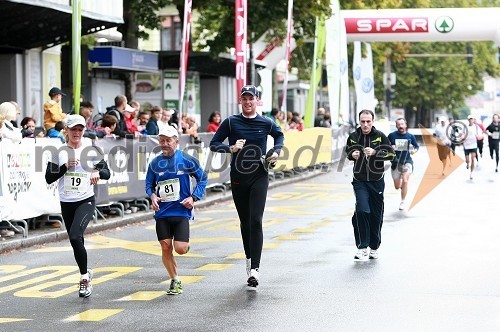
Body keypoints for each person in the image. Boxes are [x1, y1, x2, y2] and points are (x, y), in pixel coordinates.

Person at [210, 85, 284, 289]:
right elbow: (214, 143)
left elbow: (279, 135)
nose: (248, 102)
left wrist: (276, 151)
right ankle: (249, 259)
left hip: (259, 175)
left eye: (251, 98)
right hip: (238, 177)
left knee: (256, 220)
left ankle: (255, 270)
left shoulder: (266, 122)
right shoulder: (231, 122)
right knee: (244, 222)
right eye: (245, 99)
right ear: (240, 101)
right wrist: (231, 148)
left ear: (257, 101)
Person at [45, 114, 110, 298]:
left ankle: (83, 278)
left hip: (85, 200)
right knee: (77, 240)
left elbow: (107, 172)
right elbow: (49, 177)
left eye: (80, 129)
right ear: (67, 131)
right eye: (74, 129)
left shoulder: (91, 150)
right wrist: (65, 166)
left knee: (74, 236)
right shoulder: (59, 151)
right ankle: (86, 271)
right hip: (66, 202)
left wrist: (97, 171)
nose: (77, 132)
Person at [145, 126, 207, 295]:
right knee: (165, 247)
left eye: (168, 140)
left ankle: (185, 246)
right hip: (162, 212)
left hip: (181, 211)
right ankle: (175, 279)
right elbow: (149, 184)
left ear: (176, 142)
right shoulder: (155, 163)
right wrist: (152, 196)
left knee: (179, 248)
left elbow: (202, 179)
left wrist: (193, 198)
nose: (164, 144)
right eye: (162, 141)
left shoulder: (186, 159)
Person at [345, 110, 395, 261]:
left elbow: (391, 154)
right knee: (362, 211)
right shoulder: (353, 136)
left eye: (368, 121)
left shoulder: (380, 136)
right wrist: (352, 154)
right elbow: (348, 151)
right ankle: (362, 247)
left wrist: (375, 152)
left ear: (373, 121)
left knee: (375, 214)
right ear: (359, 122)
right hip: (359, 180)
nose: (365, 124)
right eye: (362, 121)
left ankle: (374, 247)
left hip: (377, 180)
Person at [388, 118, 419, 211]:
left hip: (407, 161)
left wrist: (414, 150)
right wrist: (390, 147)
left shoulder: (410, 136)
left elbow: (417, 146)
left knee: (405, 180)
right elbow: (384, 145)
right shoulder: (391, 135)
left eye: (402, 124)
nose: (401, 126)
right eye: (399, 124)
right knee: (397, 187)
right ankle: (402, 187)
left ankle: (402, 201)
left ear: (405, 125)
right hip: (396, 162)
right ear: (396, 126)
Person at [462, 115, 479, 180]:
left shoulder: (476, 127)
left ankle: (471, 173)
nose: (471, 120)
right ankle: (467, 163)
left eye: (472, 119)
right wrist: (462, 137)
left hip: (473, 145)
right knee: (467, 160)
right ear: (468, 120)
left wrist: (479, 137)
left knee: (473, 158)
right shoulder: (465, 127)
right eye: (469, 119)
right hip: (466, 145)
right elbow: (462, 135)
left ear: (473, 120)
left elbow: (479, 134)